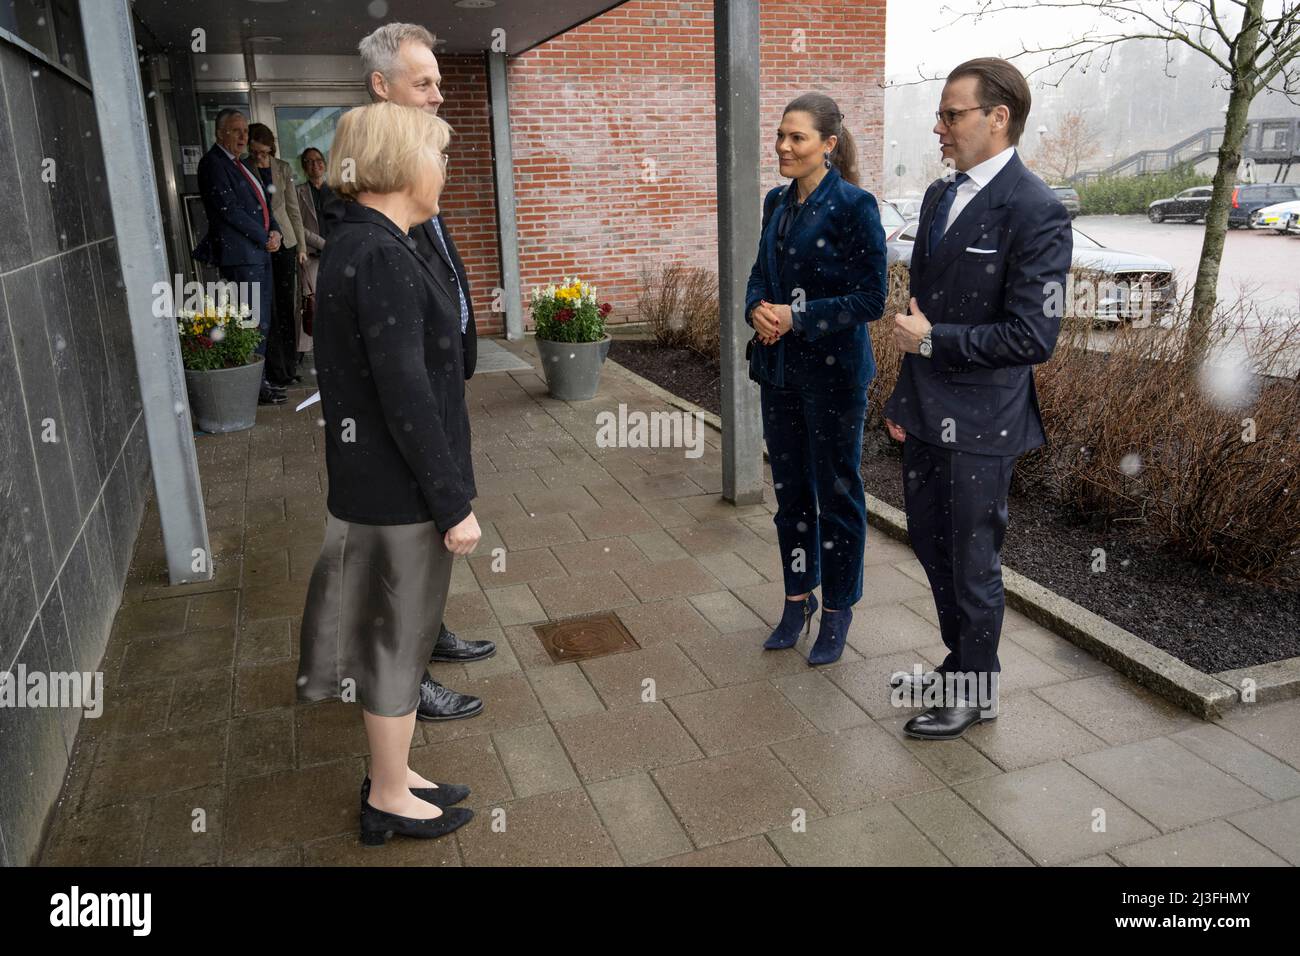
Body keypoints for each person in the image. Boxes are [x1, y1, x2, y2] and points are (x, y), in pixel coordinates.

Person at [297, 101, 477, 845]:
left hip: (384, 485)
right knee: (395, 647)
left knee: (397, 637)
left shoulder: (371, 244)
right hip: (397, 493)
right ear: (402, 164)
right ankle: (387, 801)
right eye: (436, 155)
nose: (444, 170)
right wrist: (451, 502)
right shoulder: (376, 253)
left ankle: (395, 776)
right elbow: (403, 393)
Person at [883, 57, 1072, 740]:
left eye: (951, 114)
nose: (938, 128)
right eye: (939, 114)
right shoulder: (939, 196)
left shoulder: (1038, 210)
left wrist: (933, 343)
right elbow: (917, 311)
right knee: (934, 553)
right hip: (926, 414)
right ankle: (960, 662)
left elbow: (1033, 335)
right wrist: (906, 402)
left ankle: (976, 690)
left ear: (998, 118)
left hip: (984, 425)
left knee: (972, 564)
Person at [357, 22, 494, 722]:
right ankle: (405, 679)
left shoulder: (415, 162)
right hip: (406, 413)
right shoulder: (381, 193)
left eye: (440, 82)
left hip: (441, 385)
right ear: (382, 88)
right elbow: (393, 364)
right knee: (411, 545)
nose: (439, 96)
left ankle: (430, 636)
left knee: (428, 542)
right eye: (425, 83)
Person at [744, 93, 888, 666]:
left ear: (828, 145)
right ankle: (797, 597)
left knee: (837, 496)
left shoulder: (856, 206)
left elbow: (872, 297)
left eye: (796, 138)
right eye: (780, 135)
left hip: (834, 380)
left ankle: (837, 610)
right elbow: (759, 275)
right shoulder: (775, 202)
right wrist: (757, 308)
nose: (783, 146)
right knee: (791, 497)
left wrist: (797, 317)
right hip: (778, 373)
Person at [192, 109, 284, 406]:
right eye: (236, 131)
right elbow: (229, 210)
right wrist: (263, 236)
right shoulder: (213, 164)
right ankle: (254, 386)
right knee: (252, 321)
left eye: (245, 130)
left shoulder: (240, 165)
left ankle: (260, 381)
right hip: (243, 256)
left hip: (258, 253)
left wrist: (276, 232)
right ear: (220, 133)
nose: (244, 136)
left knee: (262, 320)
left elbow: (264, 205)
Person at [246, 123, 307, 388]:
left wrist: (302, 246)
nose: (259, 157)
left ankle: (289, 366)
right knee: (266, 308)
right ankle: (273, 369)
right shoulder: (244, 168)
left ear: (271, 148)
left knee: (286, 307)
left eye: (263, 152)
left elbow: (294, 210)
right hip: (260, 243)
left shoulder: (282, 168)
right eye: (255, 152)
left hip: (286, 244)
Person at [295, 146, 333, 362]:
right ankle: (307, 354)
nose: (314, 165)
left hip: (336, 256)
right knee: (311, 304)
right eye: (308, 162)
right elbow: (298, 224)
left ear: (324, 163)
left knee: (335, 304)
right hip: (312, 255)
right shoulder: (298, 192)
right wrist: (323, 243)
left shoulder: (336, 190)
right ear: (303, 167)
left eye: (318, 160)